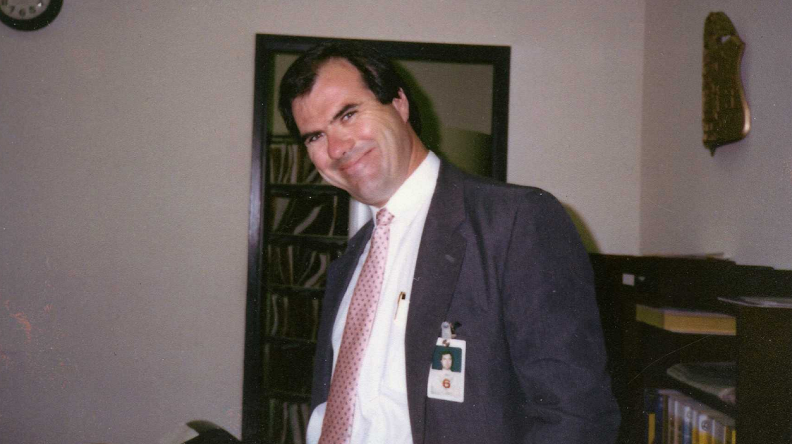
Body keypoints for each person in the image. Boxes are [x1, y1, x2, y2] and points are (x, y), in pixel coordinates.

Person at [278, 41, 620, 444]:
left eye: (349, 114)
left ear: (400, 104)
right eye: (315, 136)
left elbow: (576, 417)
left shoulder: (514, 222)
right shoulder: (350, 260)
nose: (337, 148)